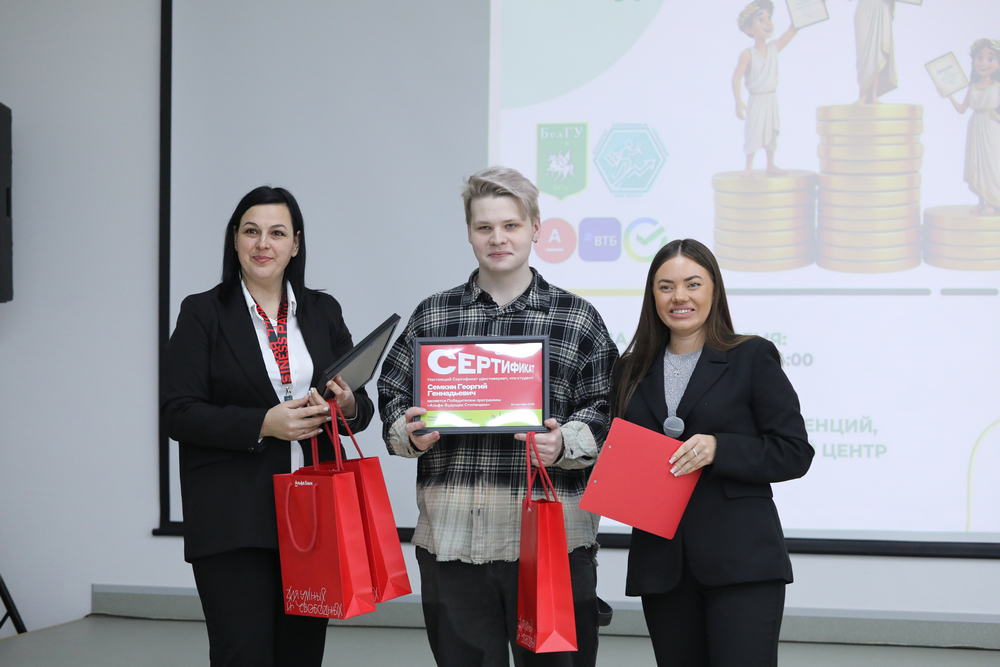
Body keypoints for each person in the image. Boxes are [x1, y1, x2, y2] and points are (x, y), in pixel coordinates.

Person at [377, 166, 618, 667]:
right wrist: (410, 432)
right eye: (484, 227)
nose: (498, 238)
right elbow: (392, 392)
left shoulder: (577, 317)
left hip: (553, 543)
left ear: (535, 228)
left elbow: (608, 408)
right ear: (469, 233)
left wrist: (565, 443)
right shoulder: (434, 315)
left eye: (511, 225)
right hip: (452, 540)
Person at [162, 186, 375, 667]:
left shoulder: (322, 311)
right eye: (251, 231)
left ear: (295, 244)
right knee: (244, 654)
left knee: (302, 655)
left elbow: (360, 408)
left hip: (313, 514)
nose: (263, 244)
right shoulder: (203, 313)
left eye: (277, 233)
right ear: (235, 240)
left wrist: (347, 403)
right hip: (233, 518)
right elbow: (177, 412)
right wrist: (263, 423)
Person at [610, 239, 813, 667]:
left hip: (742, 564)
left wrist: (721, 448)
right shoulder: (629, 370)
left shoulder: (751, 356)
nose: (679, 297)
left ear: (714, 290)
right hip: (663, 568)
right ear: (652, 295)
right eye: (666, 286)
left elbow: (795, 452)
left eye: (692, 284)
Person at [732, 0, 798, 176]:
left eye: (769, 18)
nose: (768, 23)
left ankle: (771, 164)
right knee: (753, 132)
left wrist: (807, 10)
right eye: (761, 20)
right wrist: (738, 101)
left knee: (771, 132)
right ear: (749, 29)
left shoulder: (773, 48)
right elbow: (736, 77)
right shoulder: (748, 54)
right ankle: (748, 167)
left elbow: (792, 31)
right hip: (757, 100)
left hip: (771, 99)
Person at [948, 38, 1000, 215]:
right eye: (979, 57)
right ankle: (981, 200)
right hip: (975, 125)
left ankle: (993, 201)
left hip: (991, 127)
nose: (984, 63)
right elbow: (962, 109)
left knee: (991, 164)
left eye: (991, 59)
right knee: (977, 163)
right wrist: (949, 95)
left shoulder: (998, 87)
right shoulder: (973, 86)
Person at [853, 0, 897, 104]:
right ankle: (863, 94)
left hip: (881, 7)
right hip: (865, 7)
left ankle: (873, 95)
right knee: (864, 55)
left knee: (877, 53)